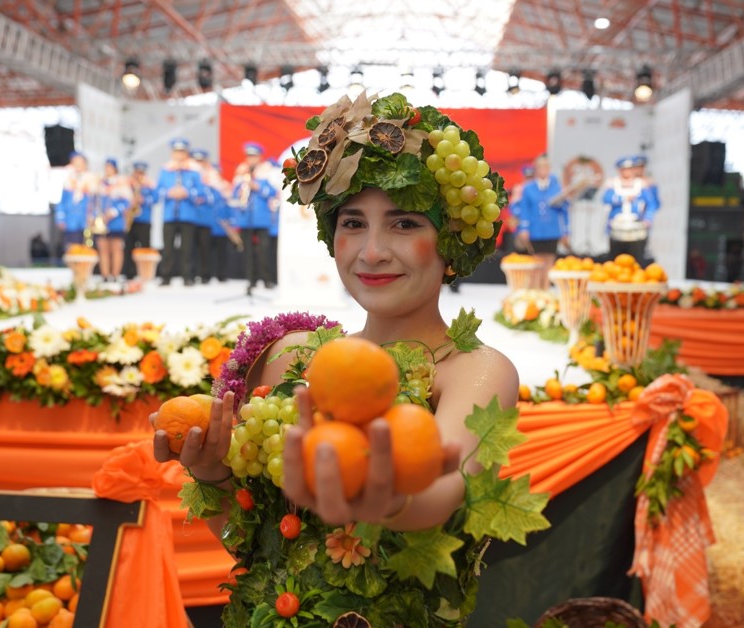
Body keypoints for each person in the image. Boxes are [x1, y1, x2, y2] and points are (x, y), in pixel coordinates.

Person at [152, 93, 530, 625]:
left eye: (404, 224)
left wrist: (392, 501)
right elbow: (255, 554)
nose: (372, 251)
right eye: (353, 223)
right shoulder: (291, 359)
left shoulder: (474, 371)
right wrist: (212, 474)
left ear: (451, 242)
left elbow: (446, 484)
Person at [157, 138, 204, 286]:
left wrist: (187, 193)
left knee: (187, 248)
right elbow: (157, 192)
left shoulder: (194, 171)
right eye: (176, 152)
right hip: (169, 215)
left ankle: (187, 276)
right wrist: (169, 193)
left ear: (186, 153)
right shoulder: (165, 170)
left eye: (182, 152)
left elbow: (201, 192)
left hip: (187, 214)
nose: (179, 155)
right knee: (168, 247)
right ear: (172, 153)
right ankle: (166, 276)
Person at [232, 142, 278, 295]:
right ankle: (251, 279)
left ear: (260, 157)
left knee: (264, 250)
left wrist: (257, 187)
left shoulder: (267, 171)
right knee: (248, 251)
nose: (251, 159)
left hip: (262, 218)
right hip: (246, 218)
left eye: (254, 156)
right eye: (249, 156)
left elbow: (273, 192)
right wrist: (240, 190)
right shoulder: (241, 173)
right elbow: (234, 194)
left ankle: (267, 279)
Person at [603, 155, 659, 265]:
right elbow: (606, 199)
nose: (627, 172)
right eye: (624, 169)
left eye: (629, 169)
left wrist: (648, 218)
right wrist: (623, 198)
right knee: (616, 259)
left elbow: (652, 204)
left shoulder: (641, 185)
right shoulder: (613, 184)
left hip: (636, 229)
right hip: (617, 228)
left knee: (637, 260)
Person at [514, 153, 570, 255]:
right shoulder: (528, 188)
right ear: (536, 169)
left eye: (546, 166)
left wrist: (566, 231)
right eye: (540, 166)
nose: (543, 169)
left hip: (552, 231)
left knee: (550, 257)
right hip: (535, 231)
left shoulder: (557, 188)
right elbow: (525, 210)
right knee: (536, 258)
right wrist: (524, 228)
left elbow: (564, 210)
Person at [93, 158, 132, 283]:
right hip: (102, 221)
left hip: (116, 221)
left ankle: (115, 275)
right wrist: (97, 215)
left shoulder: (121, 183)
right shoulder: (100, 184)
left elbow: (127, 202)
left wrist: (114, 212)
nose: (108, 169)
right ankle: (105, 275)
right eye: (106, 167)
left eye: (110, 167)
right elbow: (94, 202)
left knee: (116, 248)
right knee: (103, 248)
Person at [122, 161, 158, 280]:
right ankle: (129, 273)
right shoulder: (128, 183)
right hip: (131, 220)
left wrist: (144, 200)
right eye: (137, 172)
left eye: (141, 172)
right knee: (129, 247)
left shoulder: (149, 184)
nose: (138, 174)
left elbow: (156, 198)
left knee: (144, 247)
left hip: (144, 220)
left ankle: (145, 273)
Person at [54, 151, 96, 249]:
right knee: (72, 247)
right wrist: (60, 218)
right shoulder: (68, 182)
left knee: (87, 247)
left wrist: (94, 216)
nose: (77, 165)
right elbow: (62, 202)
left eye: (79, 162)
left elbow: (96, 202)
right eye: (75, 162)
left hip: (86, 220)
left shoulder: (92, 181)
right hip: (71, 220)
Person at [206, 162, 238, 282]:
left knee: (222, 251)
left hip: (222, 225)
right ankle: (206, 274)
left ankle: (222, 274)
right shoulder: (206, 187)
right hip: (208, 223)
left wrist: (231, 221)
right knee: (206, 251)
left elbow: (230, 205)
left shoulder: (225, 186)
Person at [190, 149, 217, 284]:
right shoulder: (189, 174)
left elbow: (216, 196)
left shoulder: (211, 176)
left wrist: (205, 198)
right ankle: (191, 273)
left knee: (205, 248)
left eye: (201, 161)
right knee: (190, 248)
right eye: (196, 161)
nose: (198, 164)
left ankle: (205, 274)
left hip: (205, 218)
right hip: (191, 217)